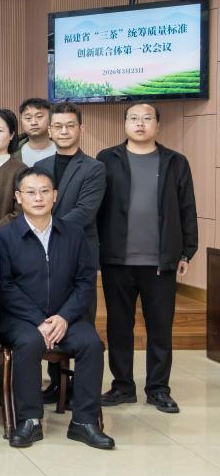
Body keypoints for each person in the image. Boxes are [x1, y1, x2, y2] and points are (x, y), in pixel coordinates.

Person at [0, 168, 115, 450]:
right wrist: (39, 320)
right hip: (22, 319)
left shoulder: (74, 234)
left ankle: (84, 422)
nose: (38, 198)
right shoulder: (4, 236)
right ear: (18, 197)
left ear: (55, 195)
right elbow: (4, 285)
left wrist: (63, 317)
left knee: (90, 344)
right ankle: (29, 421)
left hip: (66, 317)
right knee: (28, 343)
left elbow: (85, 281)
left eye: (44, 191)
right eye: (30, 192)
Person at [98, 103, 197, 414]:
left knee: (160, 327)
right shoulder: (107, 159)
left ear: (157, 125)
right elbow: (98, 208)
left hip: (160, 261)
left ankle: (158, 389)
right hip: (116, 260)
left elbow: (187, 208)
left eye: (147, 118)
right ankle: (122, 386)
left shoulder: (175, 162)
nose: (140, 123)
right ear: (125, 123)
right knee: (119, 326)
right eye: (133, 118)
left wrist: (187, 250)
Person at [32, 102, 107, 404]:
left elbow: (85, 211)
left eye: (70, 126)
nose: (64, 131)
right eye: (58, 126)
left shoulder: (94, 168)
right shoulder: (40, 167)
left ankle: (78, 386)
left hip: (79, 252)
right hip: (42, 253)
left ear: (81, 129)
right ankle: (56, 381)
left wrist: (47, 227)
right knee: (51, 311)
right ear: (50, 131)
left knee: (80, 317)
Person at [16, 98, 56, 166]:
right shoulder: (12, 151)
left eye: (39, 116)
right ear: (21, 121)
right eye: (28, 118)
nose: (33, 122)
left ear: (50, 119)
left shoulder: (63, 149)